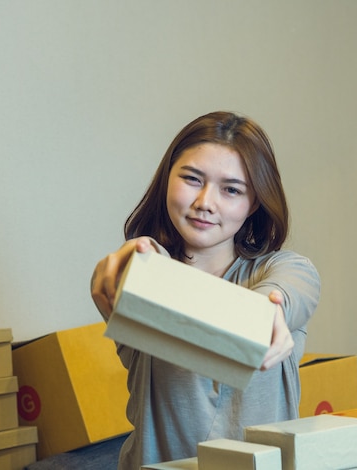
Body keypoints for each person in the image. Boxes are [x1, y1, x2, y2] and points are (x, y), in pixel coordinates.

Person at [90, 111, 320, 469]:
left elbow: (287, 295)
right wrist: (131, 262)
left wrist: (269, 315)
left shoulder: (285, 269)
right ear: (168, 178)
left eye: (231, 189)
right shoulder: (150, 272)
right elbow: (140, 275)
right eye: (192, 179)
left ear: (254, 202)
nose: (205, 203)